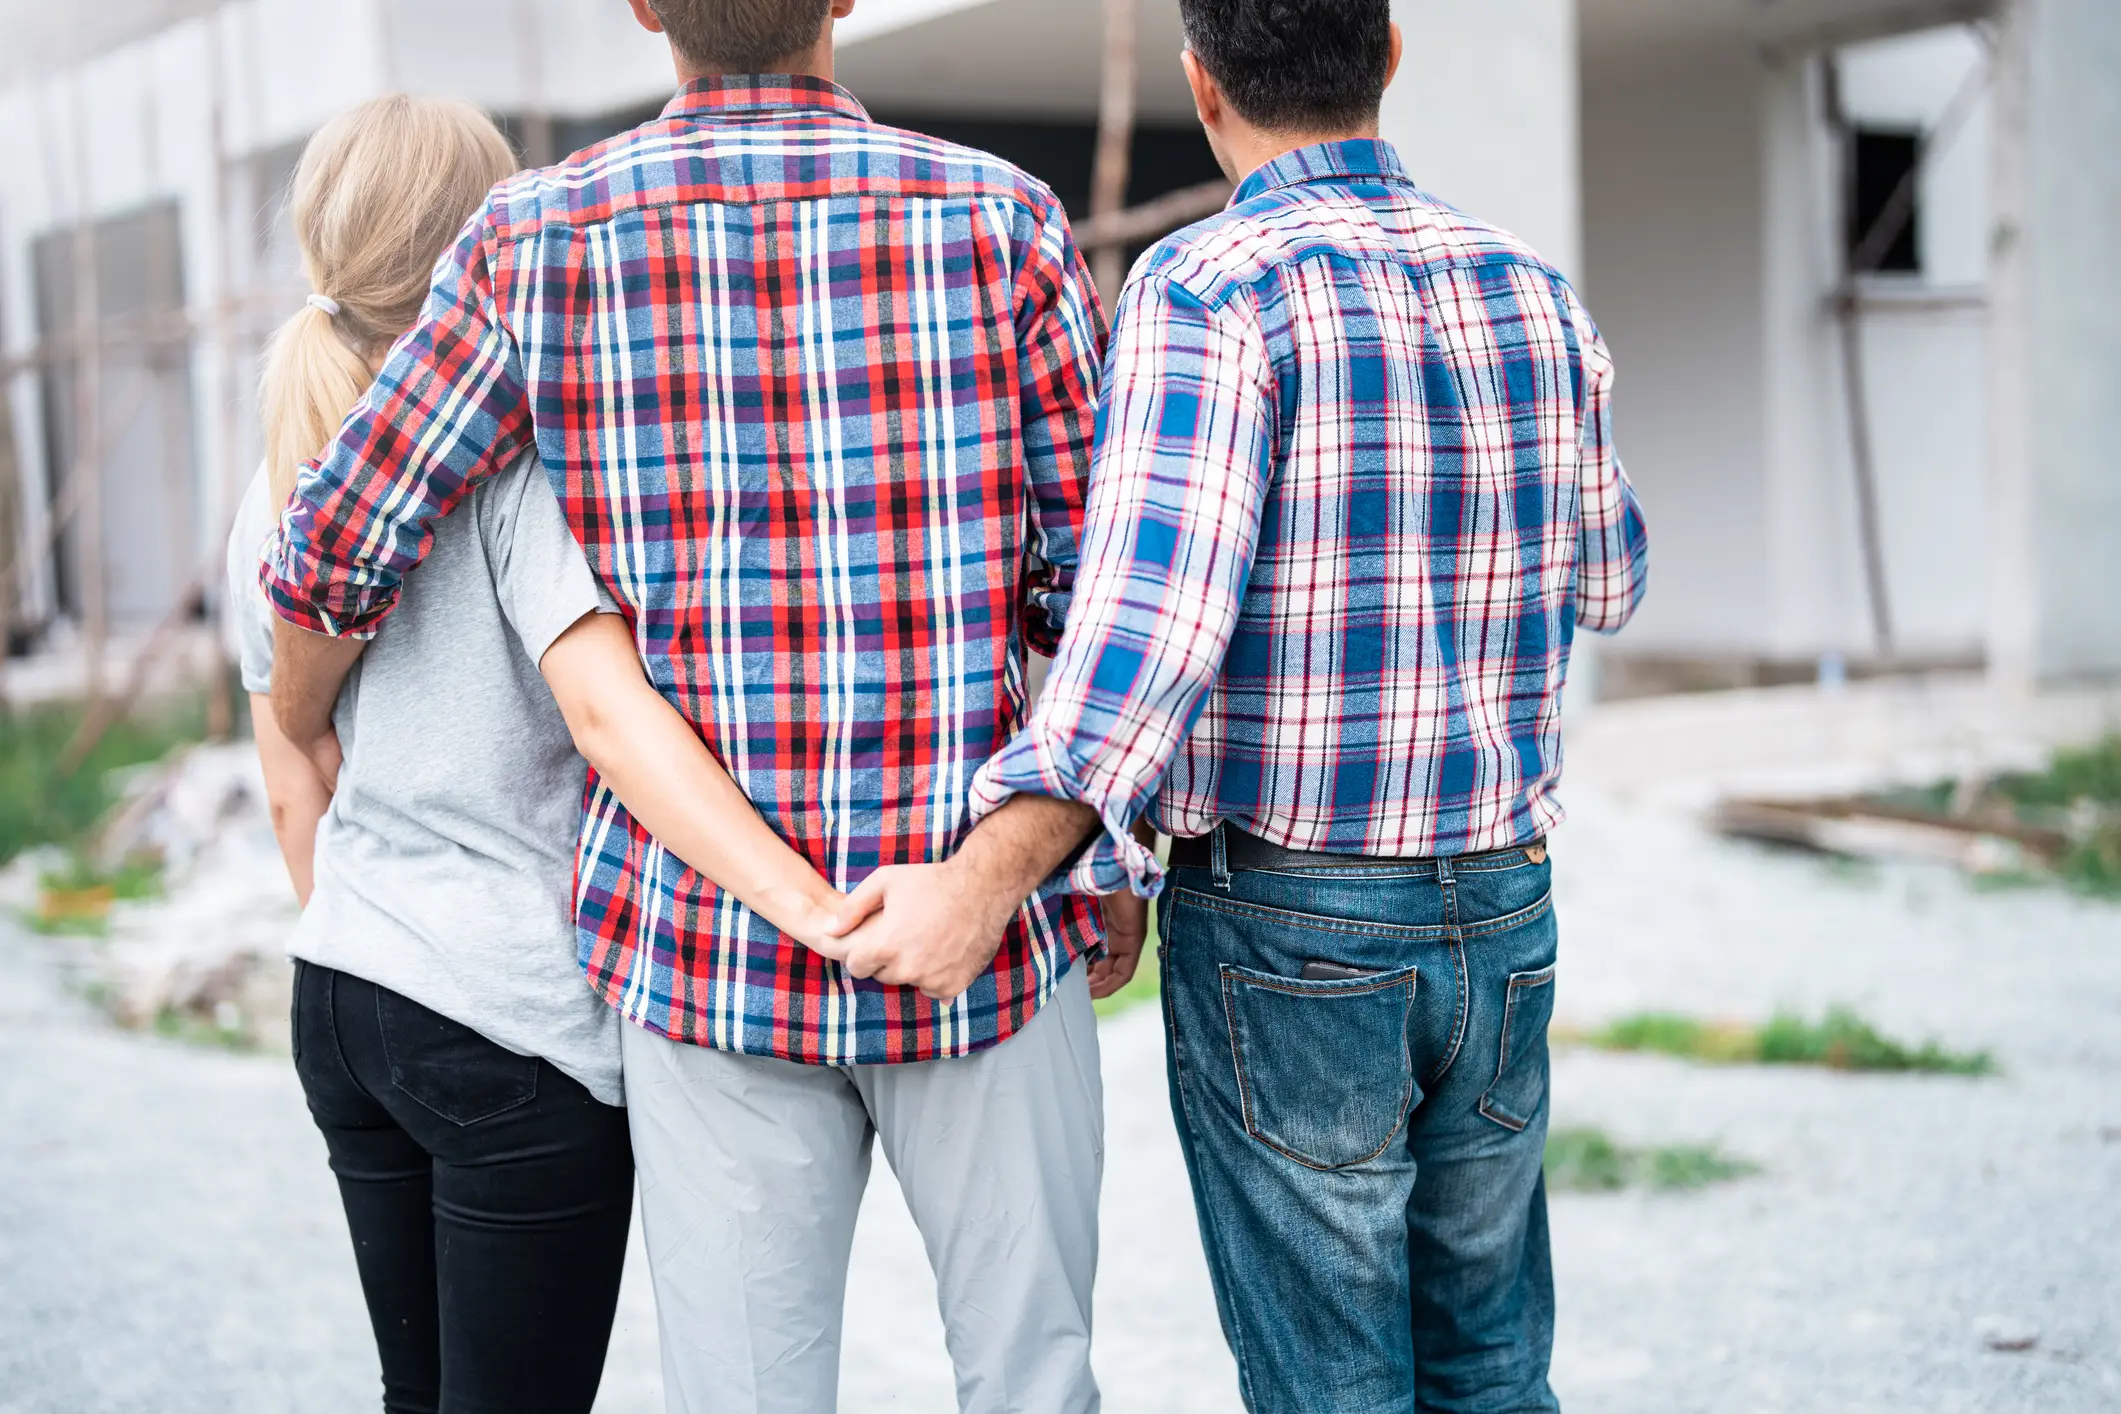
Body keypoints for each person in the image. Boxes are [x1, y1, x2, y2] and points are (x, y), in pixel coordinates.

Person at [255, 4, 1121, 1410]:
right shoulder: (1005, 221)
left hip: (709, 959)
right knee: (1035, 1380)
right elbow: (1092, 606)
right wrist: (1082, 853)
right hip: (983, 928)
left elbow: (334, 539)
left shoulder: (536, 241)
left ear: (646, 8)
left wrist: (300, 723)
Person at [851, 1, 1652, 1410]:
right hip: (1505, 909)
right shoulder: (1532, 286)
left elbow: (1144, 646)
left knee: (1334, 1383)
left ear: (1200, 85)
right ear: (1390, 57)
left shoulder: (1211, 287)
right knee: (1494, 1365)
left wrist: (995, 871)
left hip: (1296, 929)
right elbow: (1613, 576)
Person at [234, 94, 866, 1414]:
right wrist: (806, 900)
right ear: (488, 247)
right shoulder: (518, 473)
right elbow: (609, 719)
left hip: (346, 991)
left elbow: (292, 766)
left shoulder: (282, 479)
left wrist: (388, 946)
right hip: (507, 1025)